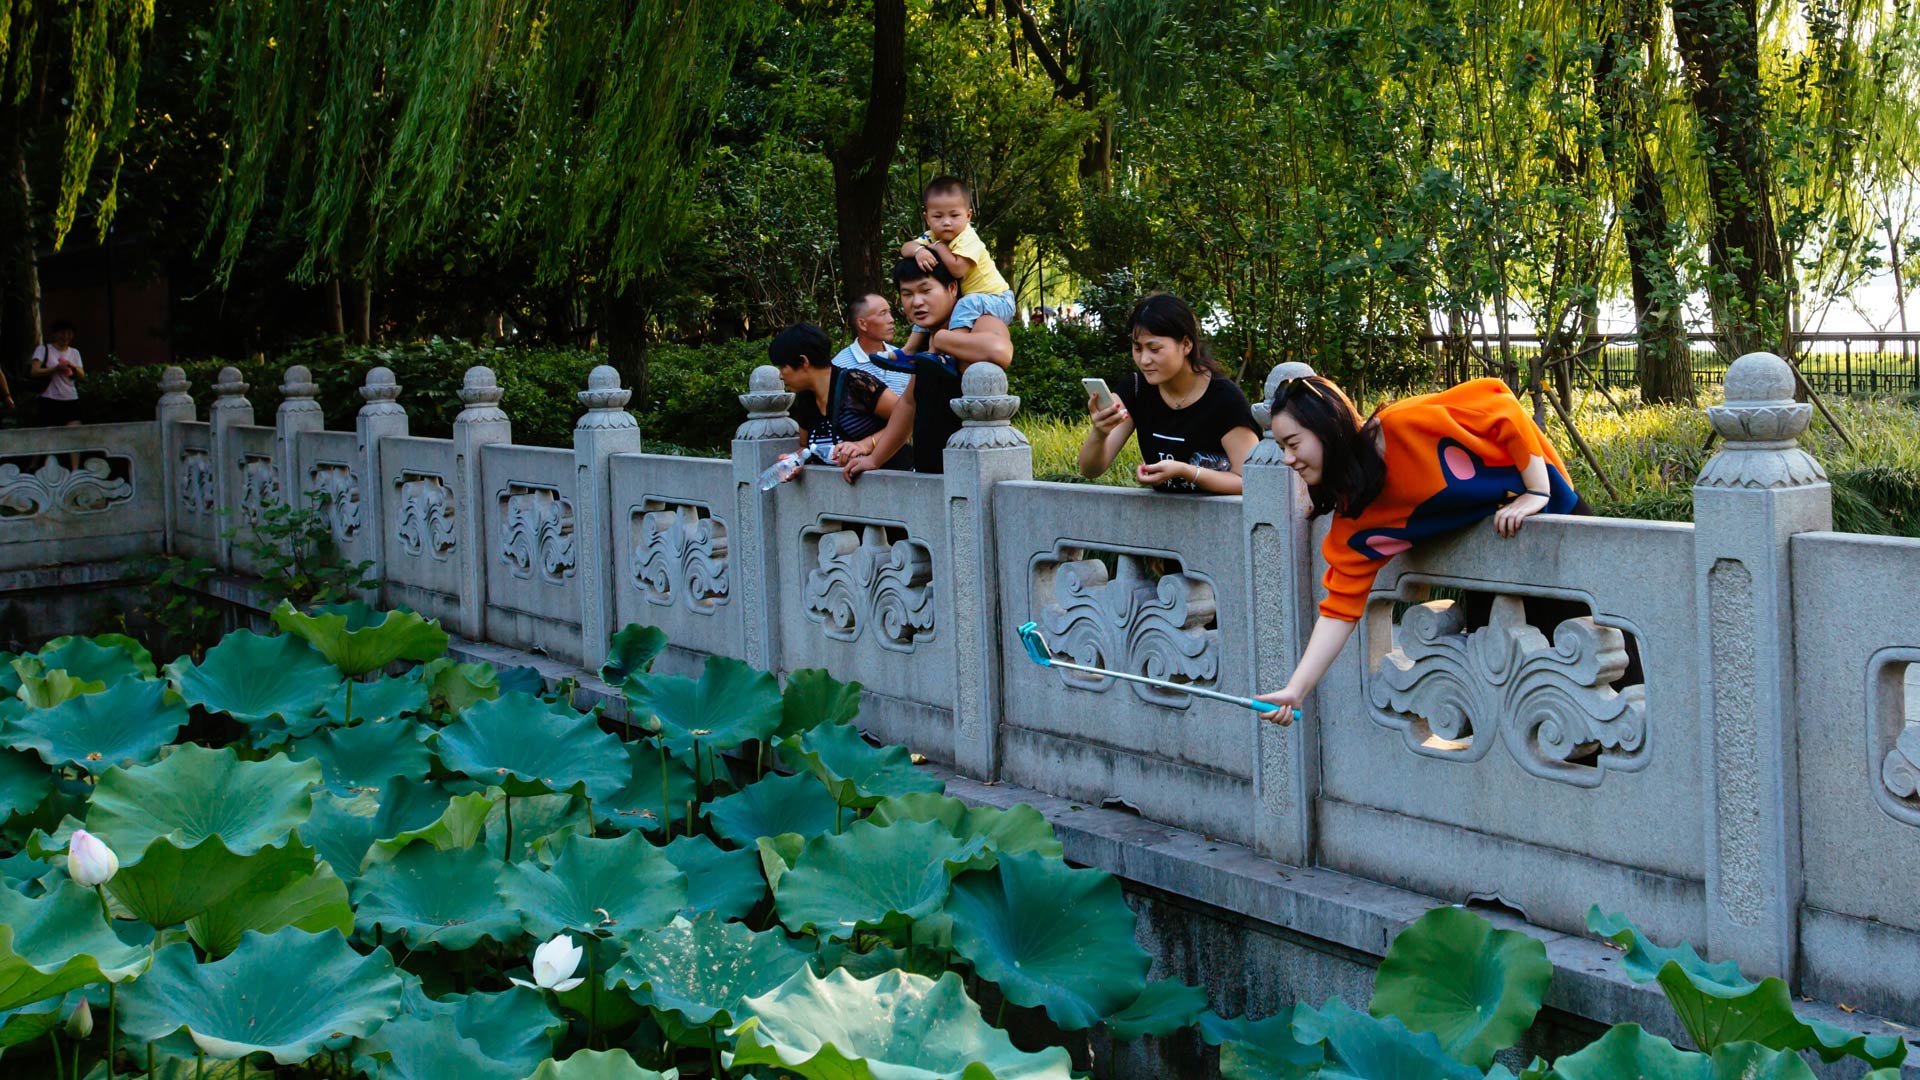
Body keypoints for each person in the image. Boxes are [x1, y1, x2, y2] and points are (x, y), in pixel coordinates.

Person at [1255, 374, 1589, 722]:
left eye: (1293, 443)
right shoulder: (1356, 519)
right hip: (1491, 570)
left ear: (1326, 428)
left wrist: (1537, 490)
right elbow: (1339, 610)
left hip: (1556, 531)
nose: (1288, 459)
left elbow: (1501, 406)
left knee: (1593, 677)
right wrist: (1297, 690)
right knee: (1513, 708)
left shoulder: (1402, 427)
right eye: (1282, 448)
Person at [840, 257, 1014, 481]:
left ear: (952, 288)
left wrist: (942, 339)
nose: (917, 302)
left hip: (974, 474)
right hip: (928, 476)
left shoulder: (979, 321)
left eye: (926, 290)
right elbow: (909, 403)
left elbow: (1000, 351)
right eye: (907, 294)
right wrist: (874, 459)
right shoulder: (923, 339)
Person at [1077, 293, 1259, 495]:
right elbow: (1089, 470)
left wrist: (1186, 471)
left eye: (1154, 349)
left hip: (1219, 514)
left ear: (1186, 344)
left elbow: (1252, 481)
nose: (1144, 360)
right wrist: (1100, 433)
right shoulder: (1136, 389)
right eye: (1137, 348)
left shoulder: (1225, 399)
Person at [769, 323, 907, 475]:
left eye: (783, 367)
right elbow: (805, 447)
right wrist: (795, 460)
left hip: (893, 479)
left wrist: (865, 445)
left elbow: (908, 418)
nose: (780, 375)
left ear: (804, 362)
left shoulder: (855, 384)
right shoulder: (806, 398)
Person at [898, 176, 1013, 356]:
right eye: (938, 216)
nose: (946, 222)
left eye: (954, 215)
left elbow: (958, 270)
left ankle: (949, 349)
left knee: (967, 303)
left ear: (968, 216)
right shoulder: (932, 236)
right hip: (974, 299)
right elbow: (906, 248)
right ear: (927, 218)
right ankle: (908, 351)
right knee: (928, 307)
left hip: (997, 299)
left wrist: (939, 247)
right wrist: (919, 251)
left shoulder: (968, 238)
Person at [832, 294, 913, 395]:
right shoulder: (840, 366)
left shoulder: (901, 357)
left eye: (889, 312)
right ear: (862, 324)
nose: (891, 319)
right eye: (883, 313)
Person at [30, 320, 84, 426]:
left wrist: (72, 366)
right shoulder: (43, 349)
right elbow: (34, 371)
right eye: (62, 333)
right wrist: (56, 369)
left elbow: (82, 376)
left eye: (69, 333)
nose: (65, 337)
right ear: (55, 334)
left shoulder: (74, 352)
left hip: (70, 397)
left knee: (74, 429)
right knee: (50, 432)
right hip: (48, 399)